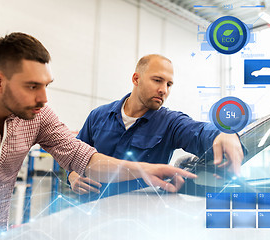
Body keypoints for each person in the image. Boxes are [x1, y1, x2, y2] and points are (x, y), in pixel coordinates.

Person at [0, 34, 197, 240]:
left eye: (46, 85)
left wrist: (142, 169)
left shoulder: (39, 114)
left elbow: (84, 158)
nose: (43, 98)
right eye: (32, 86)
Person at [68, 54, 243, 199]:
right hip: (90, 211)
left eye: (169, 84)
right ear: (136, 79)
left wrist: (224, 134)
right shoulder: (98, 116)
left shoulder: (170, 123)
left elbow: (200, 132)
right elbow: (73, 156)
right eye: (158, 80)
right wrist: (73, 176)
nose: (164, 90)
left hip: (141, 219)